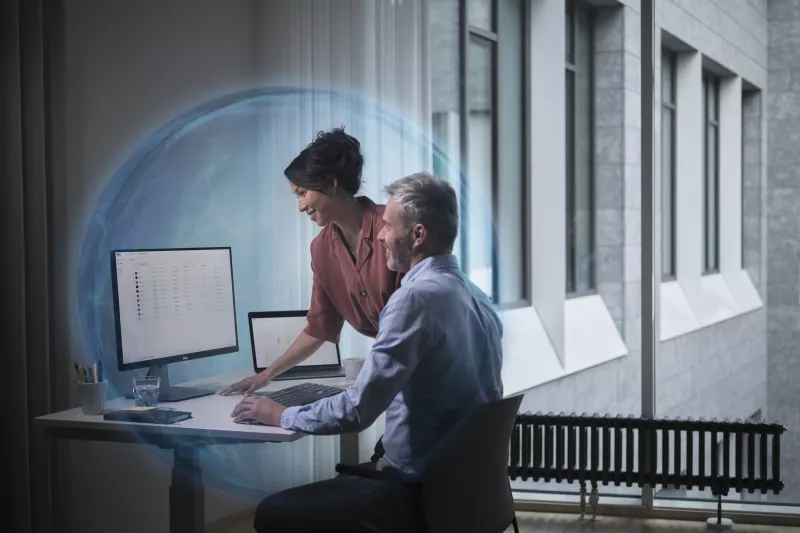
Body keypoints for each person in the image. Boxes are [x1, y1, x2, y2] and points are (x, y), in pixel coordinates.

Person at [231, 172, 504, 533]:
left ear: (417, 235)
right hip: (470, 494)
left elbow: (358, 409)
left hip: (417, 495)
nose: (379, 234)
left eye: (388, 226)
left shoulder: (414, 299)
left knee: (272, 512)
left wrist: (281, 414)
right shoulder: (476, 295)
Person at [222, 127, 402, 396]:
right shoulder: (321, 250)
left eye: (302, 193)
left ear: (331, 184)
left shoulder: (392, 225)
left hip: (430, 366)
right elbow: (320, 328)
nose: (300, 206)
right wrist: (266, 375)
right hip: (397, 372)